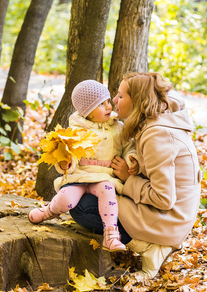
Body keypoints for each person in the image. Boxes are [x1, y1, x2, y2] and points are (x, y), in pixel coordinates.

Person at [69, 72, 202, 279]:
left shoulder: (157, 135)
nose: (114, 100)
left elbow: (164, 198)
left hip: (169, 219)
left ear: (138, 101)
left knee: (81, 206)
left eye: (121, 96)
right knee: (85, 196)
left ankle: (150, 247)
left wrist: (127, 178)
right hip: (170, 215)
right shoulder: (153, 122)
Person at [29, 80, 138, 252]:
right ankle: (49, 211)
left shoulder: (118, 128)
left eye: (108, 101)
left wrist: (131, 159)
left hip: (104, 176)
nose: (109, 107)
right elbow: (69, 154)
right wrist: (66, 164)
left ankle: (111, 235)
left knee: (108, 193)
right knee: (65, 199)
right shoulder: (77, 129)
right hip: (79, 176)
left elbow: (128, 147)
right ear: (87, 112)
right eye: (101, 104)